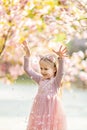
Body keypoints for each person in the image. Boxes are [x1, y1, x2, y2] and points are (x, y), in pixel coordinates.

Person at [22, 41, 67, 130]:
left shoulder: (55, 82)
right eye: (41, 68)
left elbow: (61, 73)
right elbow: (27, 69)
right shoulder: (40, 79)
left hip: (52, 111)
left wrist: (61, 59)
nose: (43, 71)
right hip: (39, 110)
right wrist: (27, 56)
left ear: (54, 69)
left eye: (46, 69)